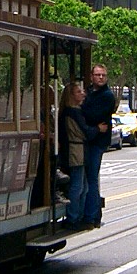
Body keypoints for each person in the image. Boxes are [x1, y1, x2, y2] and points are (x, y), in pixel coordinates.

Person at [58, 81, 100, 227]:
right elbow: (86, 132)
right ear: (71, 96)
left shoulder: (71, 111)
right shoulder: (73, 112)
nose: (83, 94)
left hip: (78, 151)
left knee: (83, 186)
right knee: (78, 186)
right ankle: (73, 217)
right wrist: (97, 129)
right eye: (78, 92)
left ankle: (77, 215)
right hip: (76, 152)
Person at [80, 63, 115, 227]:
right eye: (98, 75)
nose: (101, 78)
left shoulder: (107, 96)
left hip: (97, 142)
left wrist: (82, 109)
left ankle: (92, 216)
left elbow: (93, 115)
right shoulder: (87, 92)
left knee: (92, 178)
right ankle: (89, 213)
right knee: (86, 178)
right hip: (87, 139)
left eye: (103, 75)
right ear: (91, 76)